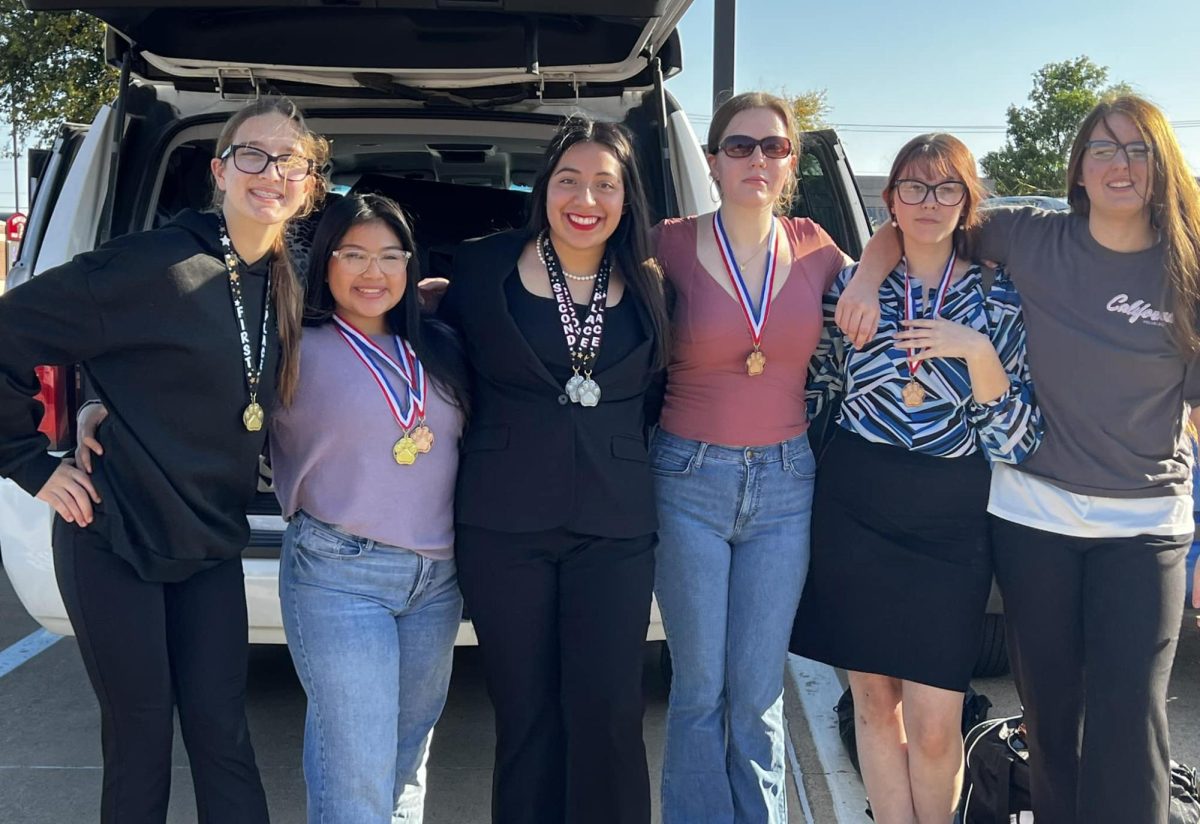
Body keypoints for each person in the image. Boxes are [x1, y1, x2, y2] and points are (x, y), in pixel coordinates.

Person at [835, 95, 1200, 824]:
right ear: (1078, 169)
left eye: (1137, 150)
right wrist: (867, 278)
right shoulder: (1031, 237)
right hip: (1034, 519)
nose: (1120, 165)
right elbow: (917, 220)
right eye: (1103, 148)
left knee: (1131, 722)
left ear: (1163, 167)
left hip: (1145, 526)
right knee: (1050, 725)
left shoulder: (1187, 268)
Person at [0, 97, 327, 823]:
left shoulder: (280, 275)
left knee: (223, 737)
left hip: (208, 543)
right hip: (115, 535)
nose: (271, 172)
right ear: (219, 170)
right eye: (253, 155)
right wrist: (31, 461)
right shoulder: (150, 264)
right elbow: (12, 332)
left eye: (291, 162)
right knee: (142, 741)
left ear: (309, 184)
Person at [792, 133, 1041, 824]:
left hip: (951, 518)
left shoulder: (999, 298)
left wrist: (978, 353)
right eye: (914, 187)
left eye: (946, 189)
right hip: (855, 507)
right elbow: (816, 391)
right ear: (890, 198)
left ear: (967, 200)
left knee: (936, 723)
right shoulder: (850, 288)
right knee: (873, 704)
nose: (929, 203)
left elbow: (1018, 440)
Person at [439, 115, 669, 824]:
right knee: (526, 714)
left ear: (627, 196)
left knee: (608, 711)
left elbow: (661, 395)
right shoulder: (478, 270)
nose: (586, 198)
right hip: (504, 528)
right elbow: (411, 352)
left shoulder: (656, 283)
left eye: (605, 183)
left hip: (615, 527)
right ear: (544, 189)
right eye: (569, 179)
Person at [649, 91, 850, 824]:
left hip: (785, 484)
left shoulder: (817, 246)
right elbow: (578, 274)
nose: (756, 159)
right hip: (688, 480)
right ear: (711, 160)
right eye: (739, 146)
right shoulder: (669, 241)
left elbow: (888, 272)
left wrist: (888, 244)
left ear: (791, 161)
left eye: (773, 146)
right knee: (701, 688)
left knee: (759, 689)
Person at [269, 193, 469, 823]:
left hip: (438, 579)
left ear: (410, 266)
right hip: (338, 572)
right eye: (353, 255)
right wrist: (92, 408)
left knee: (407, 760)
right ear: (325, 263)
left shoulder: (439, 344)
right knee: (355, 768)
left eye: (389, 255)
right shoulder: (290, 346)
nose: (372, 272)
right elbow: (192, 384)